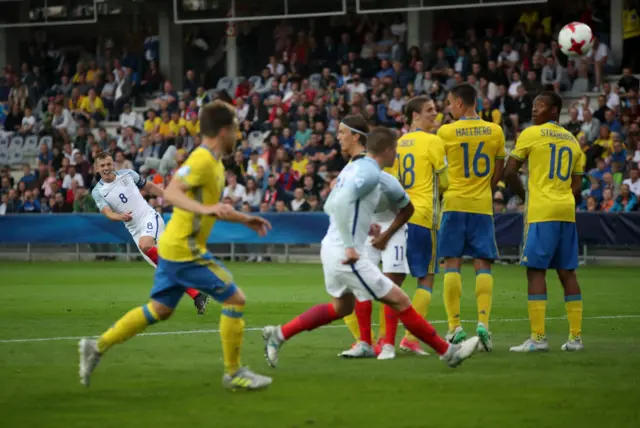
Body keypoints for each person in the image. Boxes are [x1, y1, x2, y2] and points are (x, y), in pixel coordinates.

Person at [79, 101, 274, 390]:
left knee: (159, 310)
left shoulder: (215, 163)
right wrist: (207, 211)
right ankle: (234, 374)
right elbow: (171, 192)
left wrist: (245, 219)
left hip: (171, 248)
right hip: (185, 249)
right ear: (223, 130)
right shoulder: (202, 160)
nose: (238, 134)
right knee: (236, 299)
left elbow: (212, 206)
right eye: (235, 128)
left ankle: (96, 346)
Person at [262, 127, 480, 369]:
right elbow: (342, 203)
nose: (397, 154)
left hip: (331, 248)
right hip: (345, 254)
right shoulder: (371, 173)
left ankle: (279, 334)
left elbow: (331, 204)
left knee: (341, 307)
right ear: (387, 150)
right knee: (400, 299)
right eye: (395, 150)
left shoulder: (355, 169)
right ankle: (449, 352)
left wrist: (364, 227)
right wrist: (350, 244)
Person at [504, 91, 585, 353]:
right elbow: (577, 183)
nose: (534, 109)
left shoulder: (530, 134)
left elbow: (509, 171)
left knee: (535, 271)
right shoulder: (572, 140)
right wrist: (563, 198)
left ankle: (538, 338)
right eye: (534, 105)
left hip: (542, 212)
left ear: (554, 111)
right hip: (566, 211)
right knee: (567, 272)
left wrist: (524, 194)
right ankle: (575, 338)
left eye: (541, 106)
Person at [91, 151, 209, 315]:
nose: (106, 168)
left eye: (109, 164)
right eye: (102, 165)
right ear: (96, 168)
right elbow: (107, 212)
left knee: (145, 245)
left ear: (113, 164)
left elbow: (150, 186)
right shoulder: (98, 192)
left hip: (149, 217)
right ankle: (198, 295)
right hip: (135, 230)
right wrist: (119, 216)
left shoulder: (128, 174)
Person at [335, 118, 413, 361]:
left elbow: (408, 210)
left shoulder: (386, 181)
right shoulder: (350, 174)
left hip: (394, 228)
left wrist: (386, 236)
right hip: (371, 229)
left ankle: (388, 344)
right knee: (361, 285)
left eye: (341, 132)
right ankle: (364, 343)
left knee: (390, 285)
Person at [436, 83, 506, 352]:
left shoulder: (446, 132)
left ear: (460, 104)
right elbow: (498, 172)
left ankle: (455, 327)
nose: (449, 108)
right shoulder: (495, 131)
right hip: (482, 205)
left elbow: (441, 170)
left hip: (453, 203)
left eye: (450, 103)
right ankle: (484, 326)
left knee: (452, 263)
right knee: (483, 264)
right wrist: (483, 192)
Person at [395, 96, 448, 356]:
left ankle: (384, 339)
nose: (435, 115)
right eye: (429, 111)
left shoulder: (398, 144)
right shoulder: (434, 141)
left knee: (395, 280)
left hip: (400, 219)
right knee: (426, 278)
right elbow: (445, 182)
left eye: (436, 110)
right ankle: (409, 339)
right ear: (414, 115)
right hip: (424, 217)